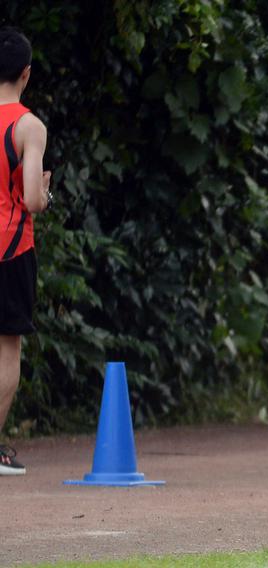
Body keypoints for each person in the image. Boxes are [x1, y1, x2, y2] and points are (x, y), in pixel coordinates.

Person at [0, 28, 50, 476]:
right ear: (26, 74)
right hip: (10, 249)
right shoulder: (29, 126)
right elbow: (32, 199)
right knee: (7, 350)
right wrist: (46, 196)